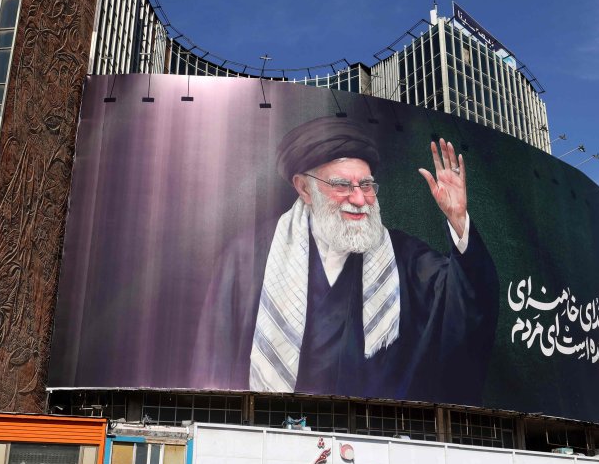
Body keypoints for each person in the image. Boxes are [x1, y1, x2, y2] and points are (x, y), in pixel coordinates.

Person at [192, 117, 498, 405]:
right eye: (342, 186)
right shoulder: (246, 259)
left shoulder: (404, 256)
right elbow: (213, 368)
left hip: (375, 439)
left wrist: (458, 221)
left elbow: (465, 301)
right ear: (304, 188)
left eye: (366, 185)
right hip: (270, 433)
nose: (359, 199)